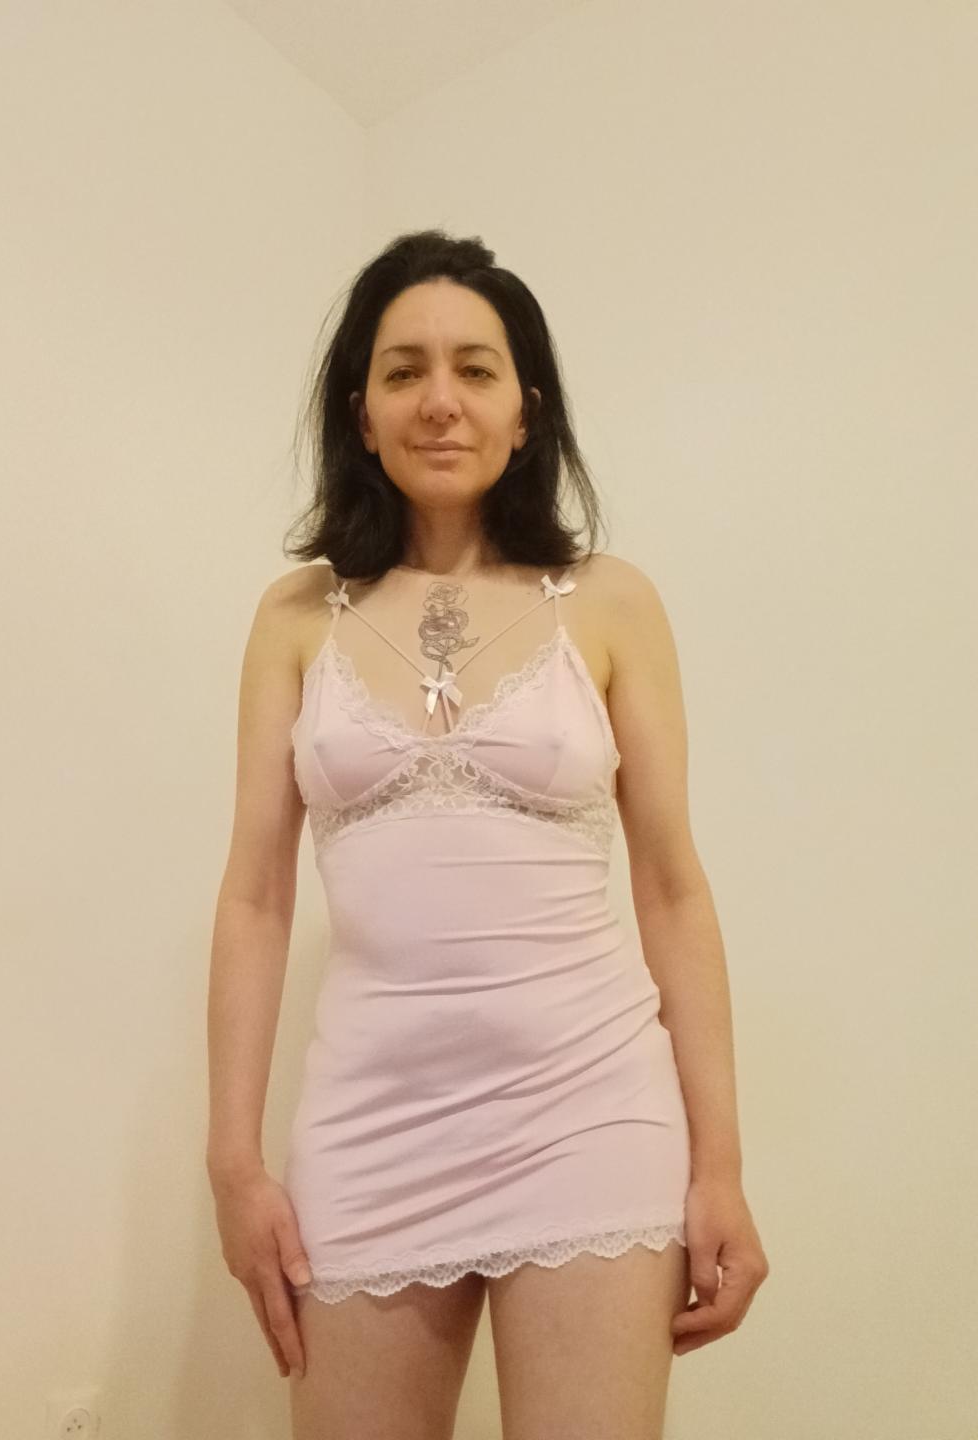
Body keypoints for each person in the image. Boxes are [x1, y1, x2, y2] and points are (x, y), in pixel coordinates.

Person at [206, 229, 769, 1439]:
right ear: (360, 413)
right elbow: (256, 896)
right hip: (368, 1123)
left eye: (475, 368)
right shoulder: (295, 616)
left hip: (590, 1109)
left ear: (527, 412)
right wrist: (234, 1165)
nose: (440, 399)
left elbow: (673, 888)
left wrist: (720, 1165)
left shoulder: (610, 602)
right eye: (403, 370)